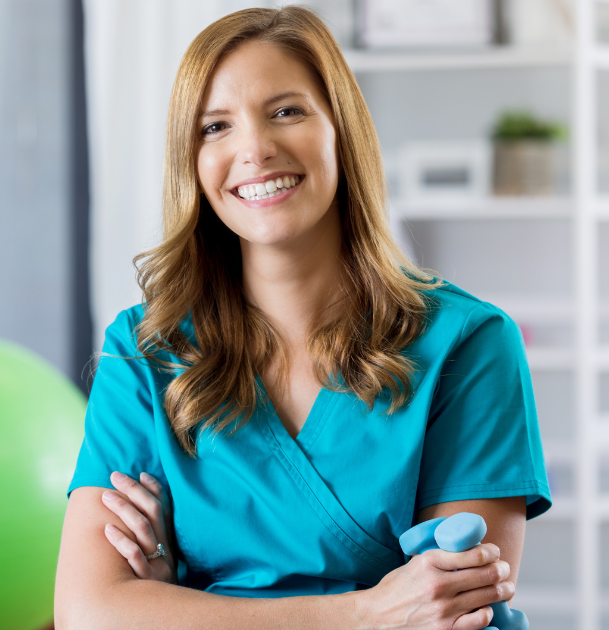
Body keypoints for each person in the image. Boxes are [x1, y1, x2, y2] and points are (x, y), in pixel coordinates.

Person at [54, 7, 549, 630]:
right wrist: (367, 612)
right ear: (191, 161)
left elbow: (453, 613)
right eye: (214, 127)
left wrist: (181, 602)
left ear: (342, 129)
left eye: (287, 111)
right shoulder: (143, 351)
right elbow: (90, 612)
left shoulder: (469, 344)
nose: (255, 149)